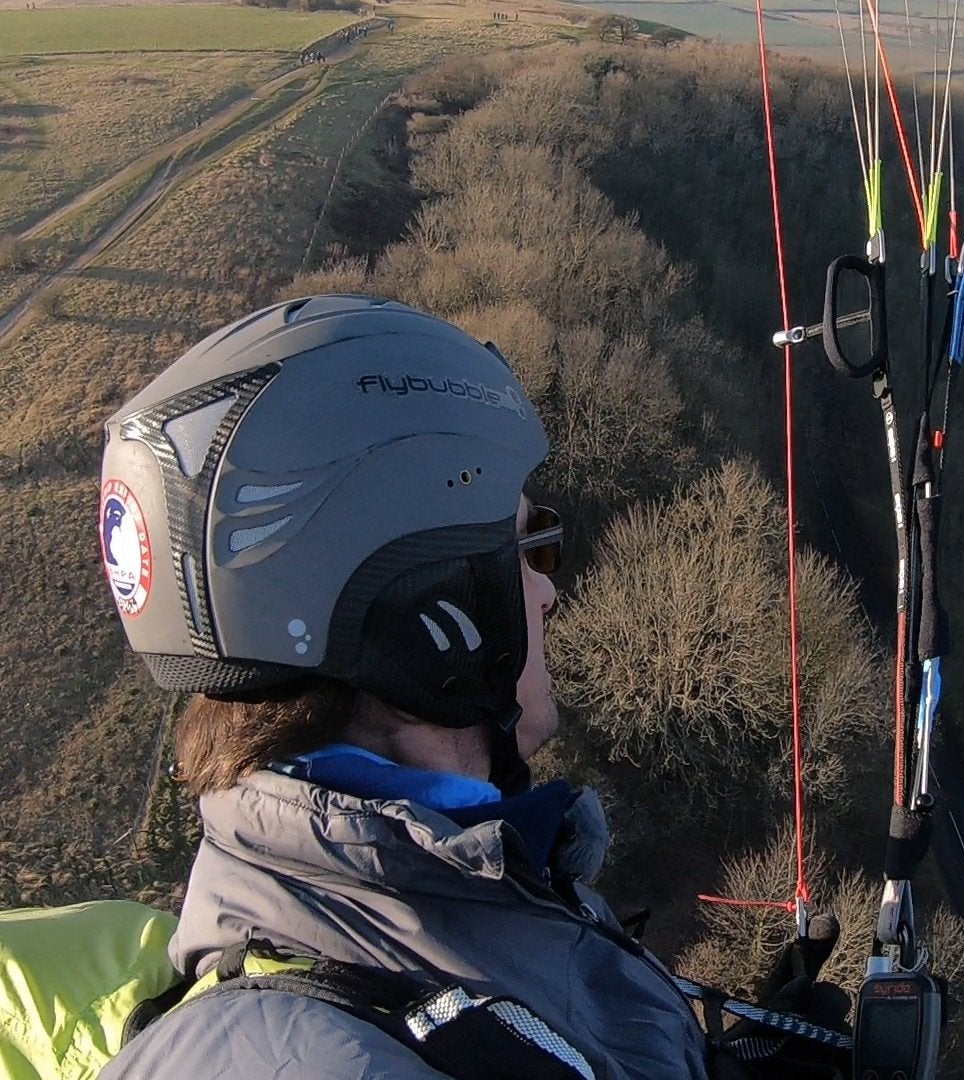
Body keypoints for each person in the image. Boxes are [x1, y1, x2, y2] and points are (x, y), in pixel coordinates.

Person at [96, 295, 714, 1079]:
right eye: (529, 548)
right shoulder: (322, 1055)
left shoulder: (454, 886)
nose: (548, 590)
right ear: (431, 600)